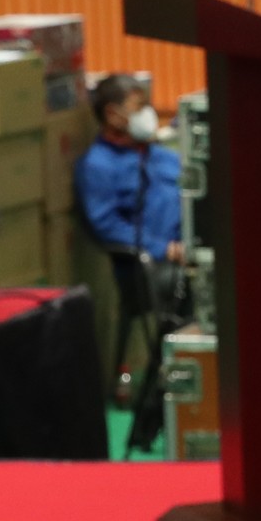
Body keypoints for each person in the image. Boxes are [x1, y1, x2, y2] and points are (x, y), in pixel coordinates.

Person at [74, 74, 183, 406]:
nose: (148, 113)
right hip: (145, 268)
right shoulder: (98, 165)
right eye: (140, 107)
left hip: (189, 251)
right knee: (202, 289)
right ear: (113, 114)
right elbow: (106, 224)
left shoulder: (160, 155)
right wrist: (162, 248)